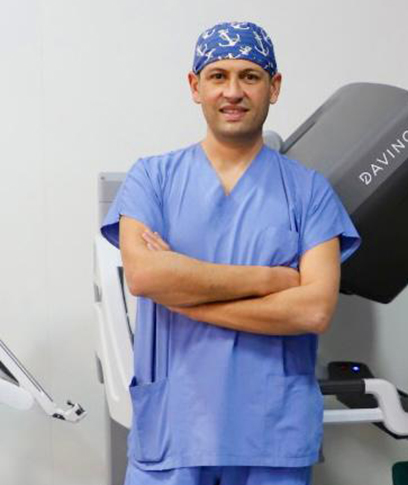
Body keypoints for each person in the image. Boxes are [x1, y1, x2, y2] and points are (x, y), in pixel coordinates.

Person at [101, 21, 361, 485]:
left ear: (273, 87)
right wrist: (270, 280)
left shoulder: (309, 193)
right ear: (195, 86)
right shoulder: (151, 180)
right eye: (218, 76)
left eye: (250, 76)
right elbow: (145, 278)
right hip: (174, 431)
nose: (233, 91)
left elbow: (313, 309)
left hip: (271, 435)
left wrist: (186, 298)